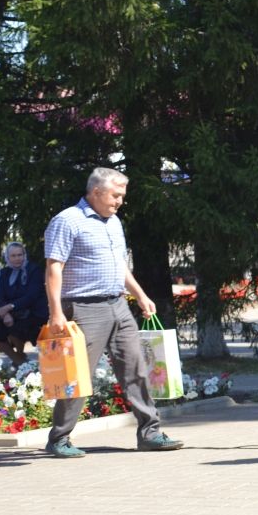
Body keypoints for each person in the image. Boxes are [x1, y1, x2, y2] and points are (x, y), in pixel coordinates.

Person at [43, 167, 183, 458]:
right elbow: (54, 268)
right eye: (115, 195)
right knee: (78, 376)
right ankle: (59, 438)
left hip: (118, 305)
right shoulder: (68, 220)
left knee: (136, 369)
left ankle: (150, 433)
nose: (120, 201)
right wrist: (56, 313)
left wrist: (140, 295)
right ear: (95, 192)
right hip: (83, 308)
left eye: (122, 196)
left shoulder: (114, 222)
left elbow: (119, 265)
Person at [0, 242, 49, 367]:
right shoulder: (4, 273)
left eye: (20, 255)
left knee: (15, 331)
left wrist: (10, 307)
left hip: (32, 312)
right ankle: (19, 360)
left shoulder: (34, 270)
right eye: (13, 256)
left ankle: (20, 359)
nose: (17, 259)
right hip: (11, 314)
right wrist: (5, 314)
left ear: (24, 255)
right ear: (8, 257)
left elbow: (32, 296)